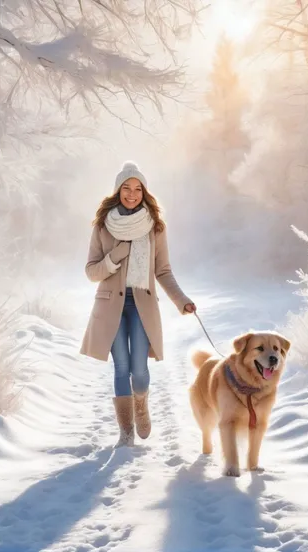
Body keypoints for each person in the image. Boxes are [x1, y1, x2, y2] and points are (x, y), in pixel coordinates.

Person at [80, 161, 196, 447]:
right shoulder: (103, 226)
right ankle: (126, 432)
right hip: (111, 307)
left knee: (139, 370)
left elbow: (163, 271)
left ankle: (141, 403)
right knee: (121, 367)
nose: (132, 194)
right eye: (126, 188)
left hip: (142, 305)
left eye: (137, 189)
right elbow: (91, 272)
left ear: (144, 192)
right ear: (118, 190)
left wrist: (182, 301)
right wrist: (115, 255)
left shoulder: (154, 227)